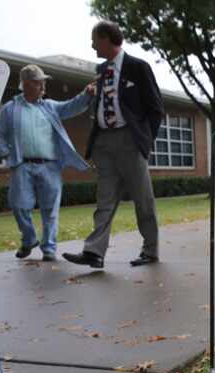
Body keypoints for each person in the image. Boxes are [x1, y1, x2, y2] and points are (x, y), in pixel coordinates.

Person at [63, 20, 164, 269]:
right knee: (104, 200)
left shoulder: (138, 67)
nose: (92, 44)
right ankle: (94, 253)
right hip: (104, 143)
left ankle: (150, 251)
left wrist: (144, 141)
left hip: (130, 140)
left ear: (107, 39)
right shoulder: (100, 69)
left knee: (143, 200)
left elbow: (155, 108)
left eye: (95, 39)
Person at [0, 64, 94, 261]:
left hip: (50, 166)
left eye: (43, 83)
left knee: (50, 210)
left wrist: (86, 94)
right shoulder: (9, 109)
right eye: (38, 83)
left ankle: (48, 249)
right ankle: (29, 238)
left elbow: (71, 106)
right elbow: (0, 134)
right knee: (18, 205)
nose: (43, 87)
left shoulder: (50, 106)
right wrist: (6, 154)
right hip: (22, 165)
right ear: (26, 84)